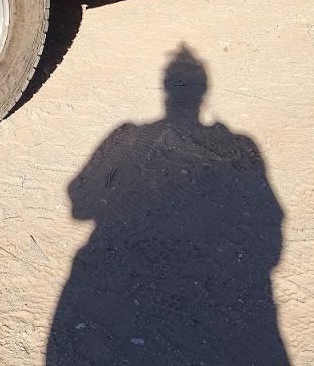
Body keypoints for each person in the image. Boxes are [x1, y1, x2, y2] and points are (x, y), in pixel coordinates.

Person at [48, 45, 289, 365]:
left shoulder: (129, 135)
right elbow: (270, 227)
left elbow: (78, 205)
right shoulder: (238, 143)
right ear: (204, 94)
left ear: (165, 89)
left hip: (128, 288)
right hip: (218, 295)